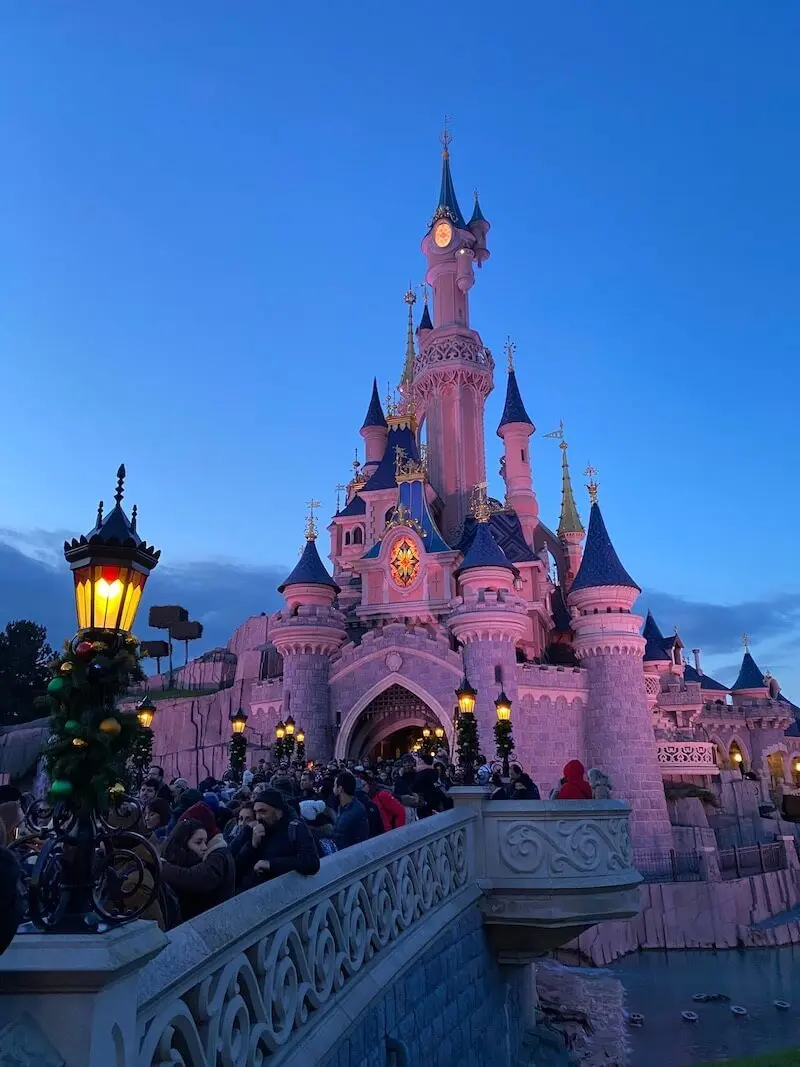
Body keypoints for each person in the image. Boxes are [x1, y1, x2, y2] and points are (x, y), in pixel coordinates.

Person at [160, 802, 235, 921]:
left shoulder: (217, 855)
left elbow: (195, 879)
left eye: (202, 841)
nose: (204, 847)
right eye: (199, 842)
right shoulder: (209, 852)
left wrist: (162, 866)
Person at [235, 790, 320, 891]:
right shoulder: (256, 831)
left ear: (278, 812)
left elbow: (311, 862)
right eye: (256, 812)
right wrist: (252, 845)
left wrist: (271, 864)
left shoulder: (295, 828)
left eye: (263, 811)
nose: (258, 817)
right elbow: (237, 868)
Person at [325, 772, 369, 850]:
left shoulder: (357, 809)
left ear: (340, 789)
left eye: (335, 785)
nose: (333, 788)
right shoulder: (340, 806)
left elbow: (361, 838)